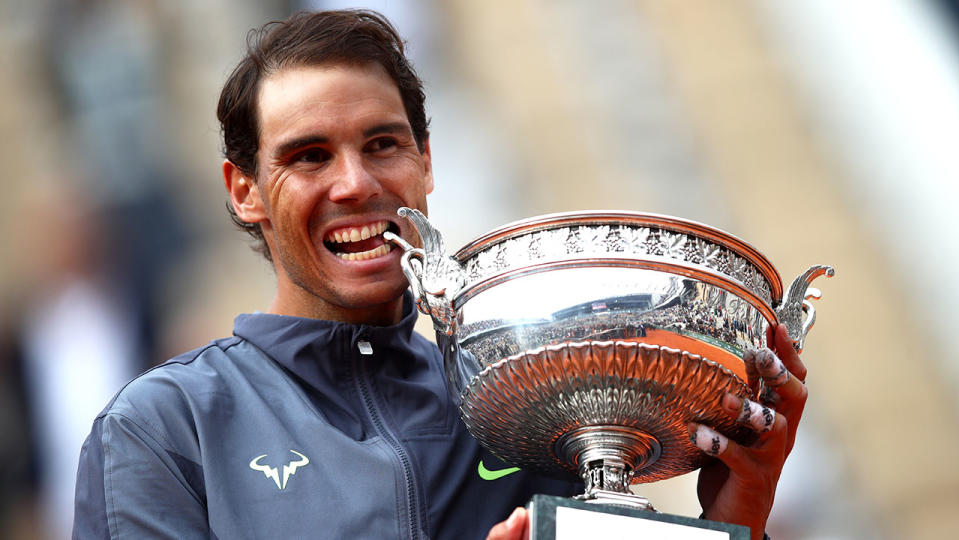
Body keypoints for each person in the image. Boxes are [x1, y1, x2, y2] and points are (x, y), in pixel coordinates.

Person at [73, 10, 807, 540]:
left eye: (382, 144)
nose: (356, 184)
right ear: (244, 191)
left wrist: (736, 519)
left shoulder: (524, 404)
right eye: (308, 156)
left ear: (425, 162)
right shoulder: (164, 429)